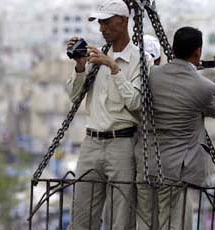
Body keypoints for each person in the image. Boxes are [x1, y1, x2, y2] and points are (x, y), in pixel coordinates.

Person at [65, 0, 153, 229]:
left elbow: (136, 102)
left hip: (122, 144)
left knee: (120, 218)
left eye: (106, 23)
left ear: (122, 21)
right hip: (91, 143)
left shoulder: (141, 60)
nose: (102, 29)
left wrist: (114, 68)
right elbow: (75, 97)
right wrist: (80, 66)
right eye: (100, 23)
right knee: (82, 216)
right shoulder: (95, 58)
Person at [135, 26, 215, 229]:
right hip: (177, 171)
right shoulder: (204, 87)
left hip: (146, 163)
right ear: (197, 52)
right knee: (173, 223)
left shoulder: (151, 76)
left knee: (144, 221)